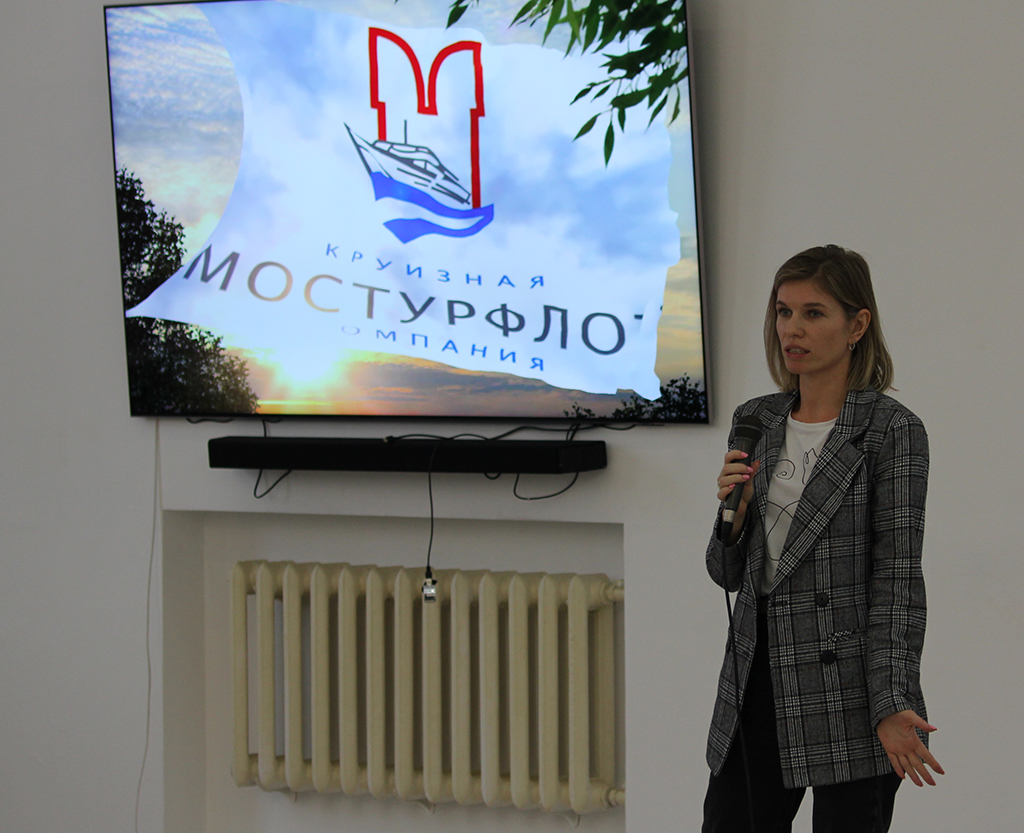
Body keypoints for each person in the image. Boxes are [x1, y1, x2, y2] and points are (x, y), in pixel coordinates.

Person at [702, 245, 943, 833]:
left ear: (857, 325)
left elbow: (897, 581)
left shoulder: (891, 431)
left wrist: (891, 701)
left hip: (849, 688)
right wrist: (735, 515)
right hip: (756, 676)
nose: (792, 329)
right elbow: (726, 574)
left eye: (813, 313)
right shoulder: (756, 419)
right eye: (784, 312)